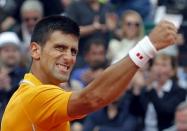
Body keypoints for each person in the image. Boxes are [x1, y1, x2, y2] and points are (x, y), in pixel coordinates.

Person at [1, 15, 178, 131]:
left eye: (73, 51)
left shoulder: (40, 94)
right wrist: (146, 47)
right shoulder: (34, 96)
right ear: (35, 50)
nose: (69, 57)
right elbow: (92, 98)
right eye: (60, 48)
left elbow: (101, 96)